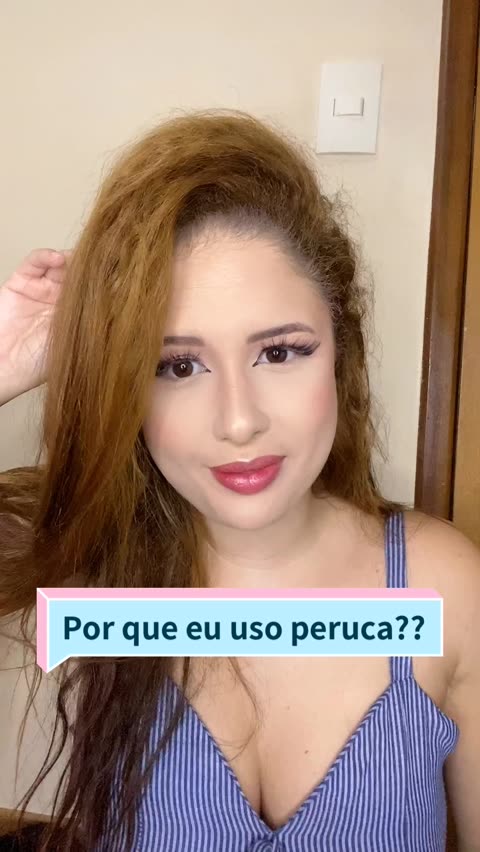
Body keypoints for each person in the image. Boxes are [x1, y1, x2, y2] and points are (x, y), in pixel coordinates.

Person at [0, 109, 478, 852]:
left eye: (279, 353)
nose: (238, 421)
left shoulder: (443, 589)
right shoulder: (94, 563)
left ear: (340, 350)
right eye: (177, 365)